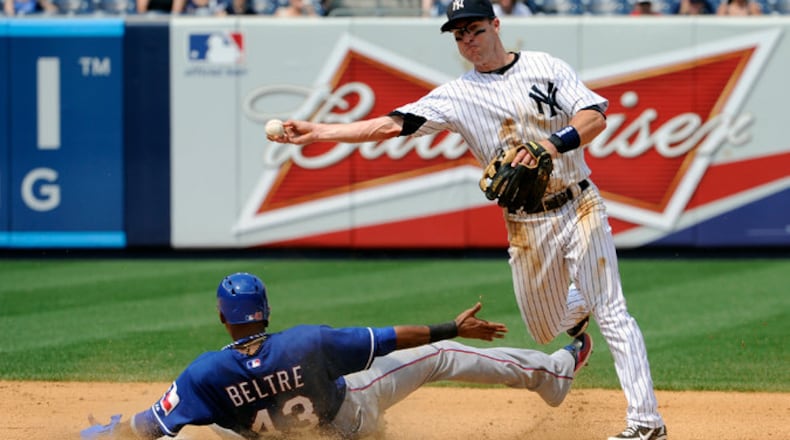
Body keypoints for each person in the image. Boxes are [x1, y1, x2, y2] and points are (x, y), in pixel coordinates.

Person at [266, 0, 668, 438]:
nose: (468, 40)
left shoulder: (546, 66)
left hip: (579, 203)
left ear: (497, 25)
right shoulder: (457, 95)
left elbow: (594, 117)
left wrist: (548, 148)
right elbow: (390, 125)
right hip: (526, 225)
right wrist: (320, 132)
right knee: (544, 327)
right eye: (459, 34)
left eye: (474, 29)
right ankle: (581, 299)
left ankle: (646, 423)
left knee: (614, 312)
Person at [81, 272, 593, 439]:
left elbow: (147, 428)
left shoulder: (204, 374)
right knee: (440, 354)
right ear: (267, 310)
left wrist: (103, 434)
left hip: (266, 430)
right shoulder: (306, 342)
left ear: (223, 319)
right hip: (346, 422)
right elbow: (393, 338)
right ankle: (552, 375)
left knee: (211, 420)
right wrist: (448, 326)